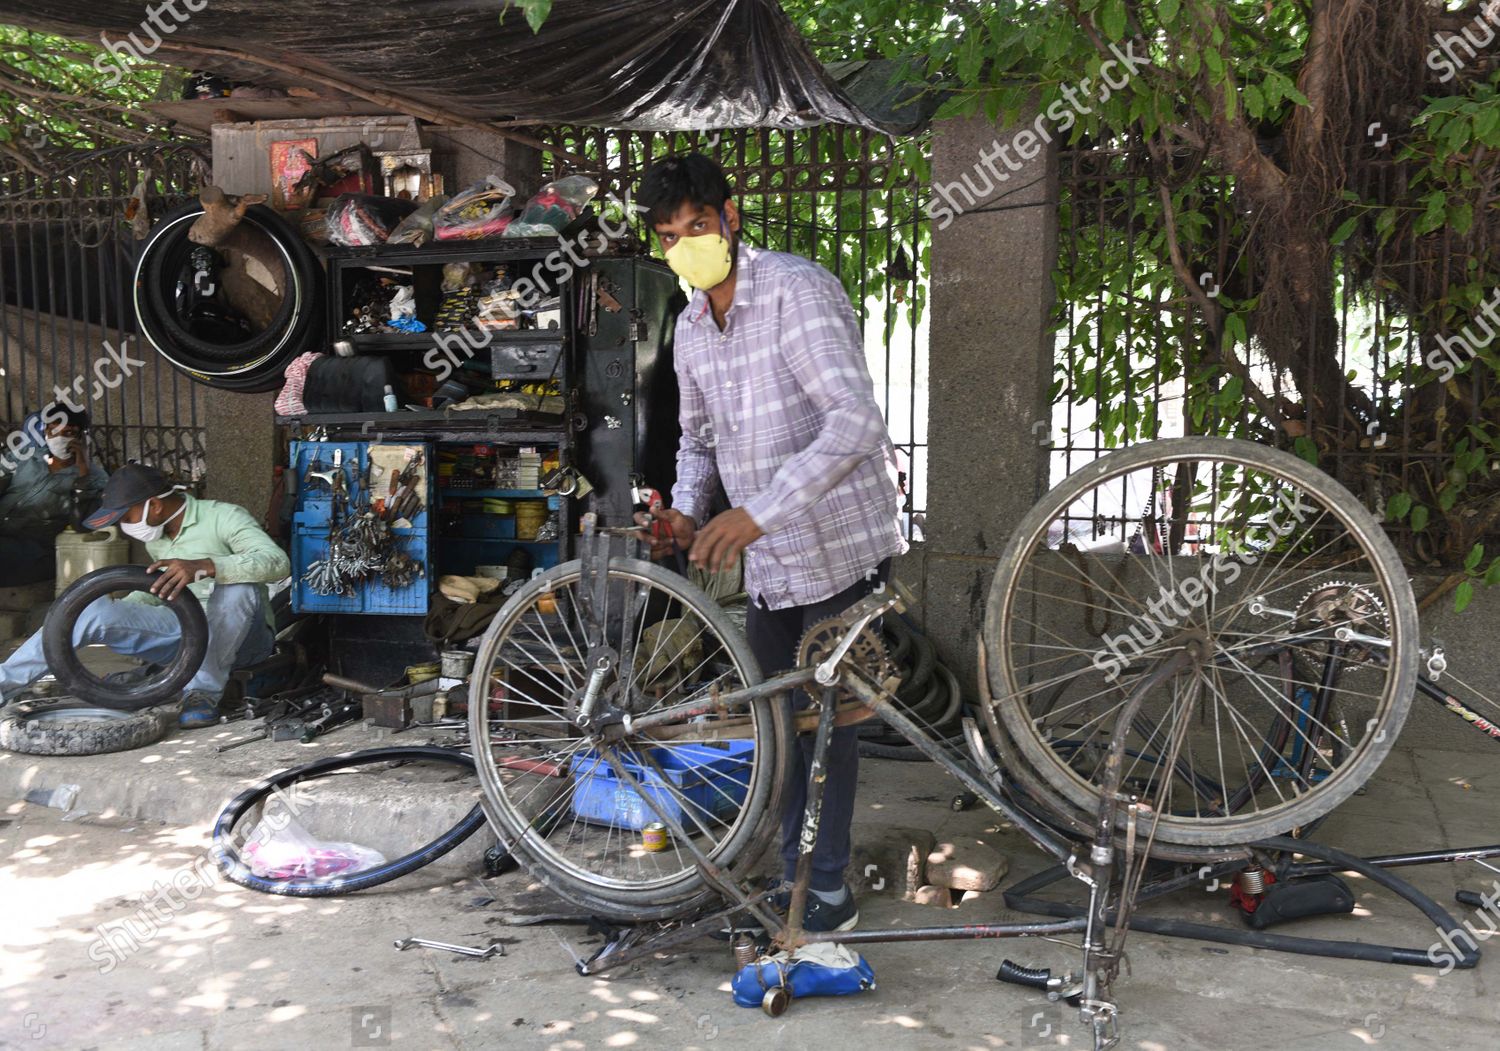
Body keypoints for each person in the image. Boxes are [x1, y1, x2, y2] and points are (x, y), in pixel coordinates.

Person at [635, 153, 908, 933]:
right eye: (668, 235)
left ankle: (824, 888)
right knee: (779, 720)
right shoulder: (690, 327)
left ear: (731, 216)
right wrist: (688, 512)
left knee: (831, 722)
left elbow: (854, 421)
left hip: (837, 541)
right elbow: (697, 442)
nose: (686, 243)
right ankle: (790, 868)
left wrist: (757, 512)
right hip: (772, 566)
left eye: (696, 224)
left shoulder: (797, 290)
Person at [0, 464, 290, 728]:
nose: (125, 526)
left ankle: (201, 693)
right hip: (187, 635)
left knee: (237, 588)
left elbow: (277, 562)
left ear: (155, 506)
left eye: (127, 516)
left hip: (245, 639)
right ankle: (3, 684)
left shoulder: (224, 517)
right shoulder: (158, 539)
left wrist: (207, 566)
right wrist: (117, 614)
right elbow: (158, 592)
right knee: (91, 610)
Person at [0, 408, 108, 586]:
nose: (59, 438)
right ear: (45, 432)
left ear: (82, 437)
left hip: (34, 551)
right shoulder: (27, 455)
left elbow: (83, 524)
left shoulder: (96, 478)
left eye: (68, 433)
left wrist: (83, 473)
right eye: (53, 431)